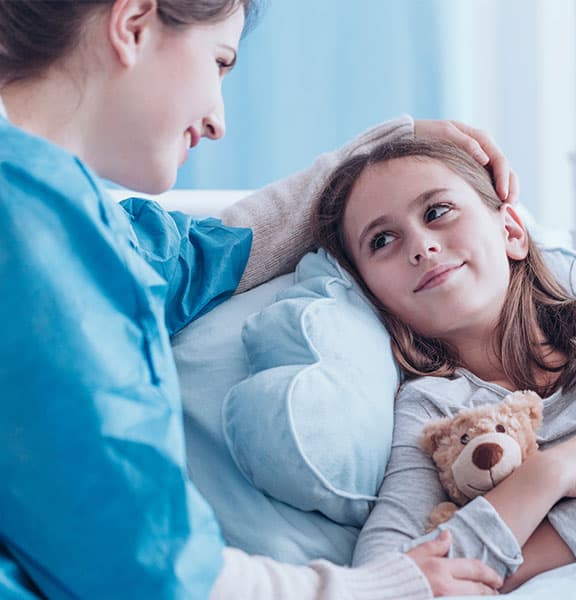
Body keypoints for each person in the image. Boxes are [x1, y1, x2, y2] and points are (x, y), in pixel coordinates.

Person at [0, 1, 516, 598]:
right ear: (134, 22)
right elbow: (146, 568)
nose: (218, 121)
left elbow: (196, 257)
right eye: (219, 62)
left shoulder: (61, 217)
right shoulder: (36, 232)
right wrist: (378, 588)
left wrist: (385, 151)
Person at [315, 138, 576, 592]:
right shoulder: (428, 411)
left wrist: (515, 564)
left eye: (438, 212)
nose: (421, 247)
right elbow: (386, 578)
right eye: (382, 240)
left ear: (512, 232)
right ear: (372, 295)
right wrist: (551, 473)